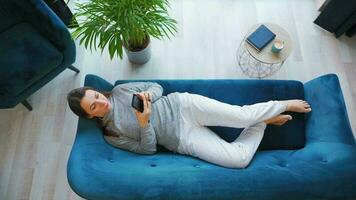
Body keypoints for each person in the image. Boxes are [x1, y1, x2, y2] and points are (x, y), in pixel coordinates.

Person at [67, 82, 311, 169]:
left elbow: (156, 86)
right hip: (182, 139)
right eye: (93, 107)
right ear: (90, 117)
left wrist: (149, 95)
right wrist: (144, 124)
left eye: (96, 96)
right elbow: (148, 149)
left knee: (242, 116)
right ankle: (264, 121)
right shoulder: (112, 134)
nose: (101, 103)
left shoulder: (120, 91)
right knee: (239, 161)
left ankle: (282, 104)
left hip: (183, 106)